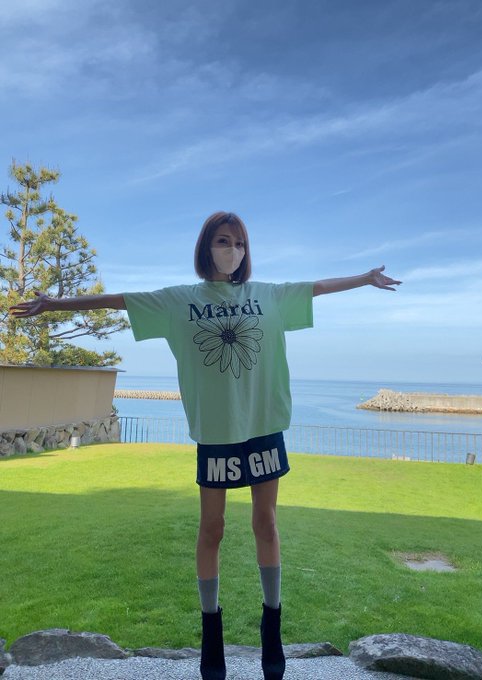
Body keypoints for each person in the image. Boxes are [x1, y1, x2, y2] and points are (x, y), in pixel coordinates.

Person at [9, 211, 401, 680]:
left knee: (266, 524)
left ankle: (271, 628)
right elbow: (119, 300)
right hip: (215, 432)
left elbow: (316, 287)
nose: (232, 250)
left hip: (265, 425)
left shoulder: (268, 295)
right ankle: (211, 633)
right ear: (206, 247)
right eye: (223, 241)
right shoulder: (180, 300)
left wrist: (364, 278)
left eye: (239, 243)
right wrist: (53, 304)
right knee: (211, 530)